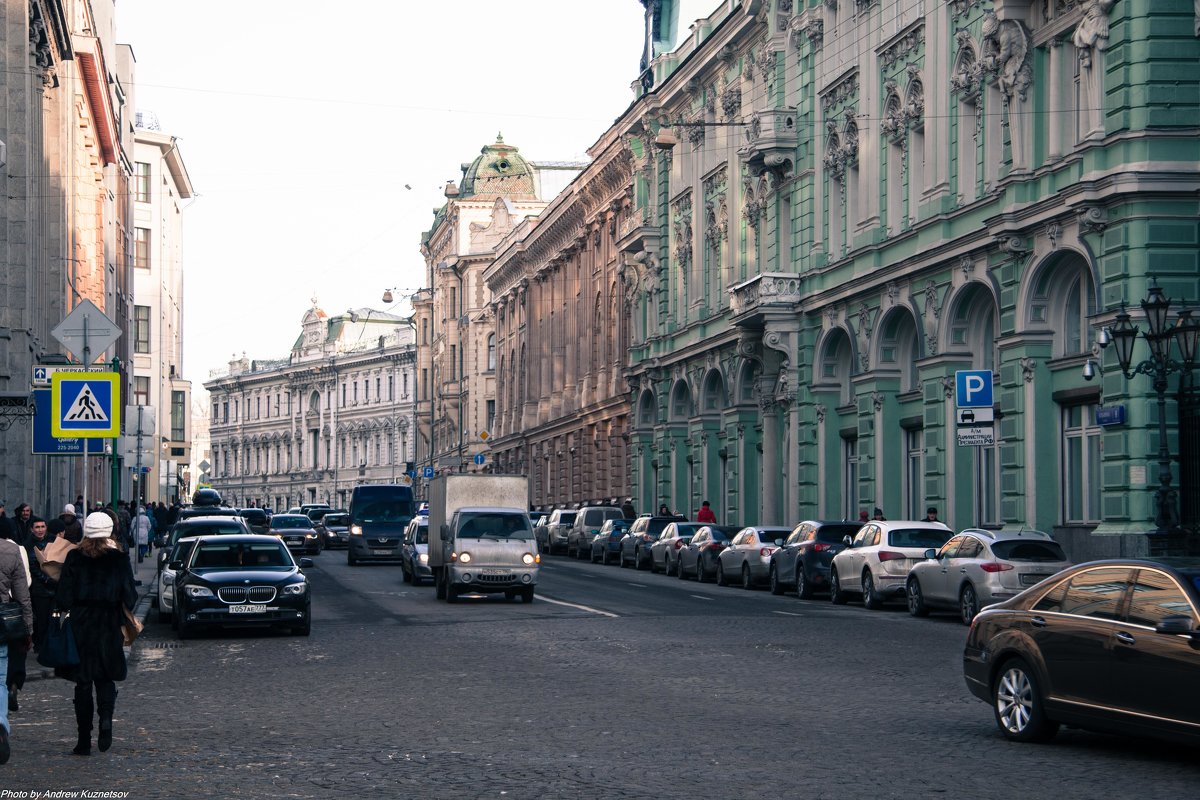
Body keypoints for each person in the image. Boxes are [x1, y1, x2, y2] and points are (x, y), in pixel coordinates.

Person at [54, 512, 137, 756]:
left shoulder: (74, 557)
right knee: (105, 677)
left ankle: (83, 740)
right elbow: (130, 596)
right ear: (109, 531)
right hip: (108, 622)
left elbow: (64, 596)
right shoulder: (119, 558)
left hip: (81, 623)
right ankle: (106, 717)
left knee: (83, 682)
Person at [0, 531, 33, 764]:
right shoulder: (11, 551)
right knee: (0, 678)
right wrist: (28, 629)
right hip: (0, 623)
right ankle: (0, 724)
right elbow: (23, 596)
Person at [24, 518, 60, 652]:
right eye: (37, 527)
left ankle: (51, 643)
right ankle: (40, 644)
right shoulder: (28, 545)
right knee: (41, 618)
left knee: (54, 617)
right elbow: (32, 567)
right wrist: (46, 579)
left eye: (42, 526)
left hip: (54, 586)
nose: (40, 530)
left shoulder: (52, 541)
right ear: (32, 529)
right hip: (40, 588)